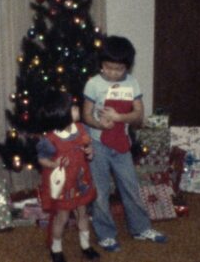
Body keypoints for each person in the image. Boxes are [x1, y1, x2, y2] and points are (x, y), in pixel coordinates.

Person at [82, 35, 168, 252]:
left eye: (118, 69)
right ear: (101, 64)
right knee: (100, 192)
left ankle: (140, 228)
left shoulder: (132, 82)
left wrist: (120, 118)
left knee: (131, 187)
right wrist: (100, 124)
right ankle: (106, 234)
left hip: (122, 145)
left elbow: (139, 115)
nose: (112, 73)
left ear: (127, 67)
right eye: (108, 67)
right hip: (98, 145)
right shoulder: (93, 84)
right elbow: (86, 115)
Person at [36, 90, 100, 262]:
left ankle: (86, 246)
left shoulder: (81, 129)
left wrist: (89, 152)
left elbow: (88, 151)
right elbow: (42, 159)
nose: (76, 108)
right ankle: (56, 249)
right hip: (64, 185)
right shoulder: (50, 139)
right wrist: (54, 164)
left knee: (83, 214)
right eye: (72, 108)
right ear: (60, 115)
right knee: (62, 217)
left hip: (81, 181)